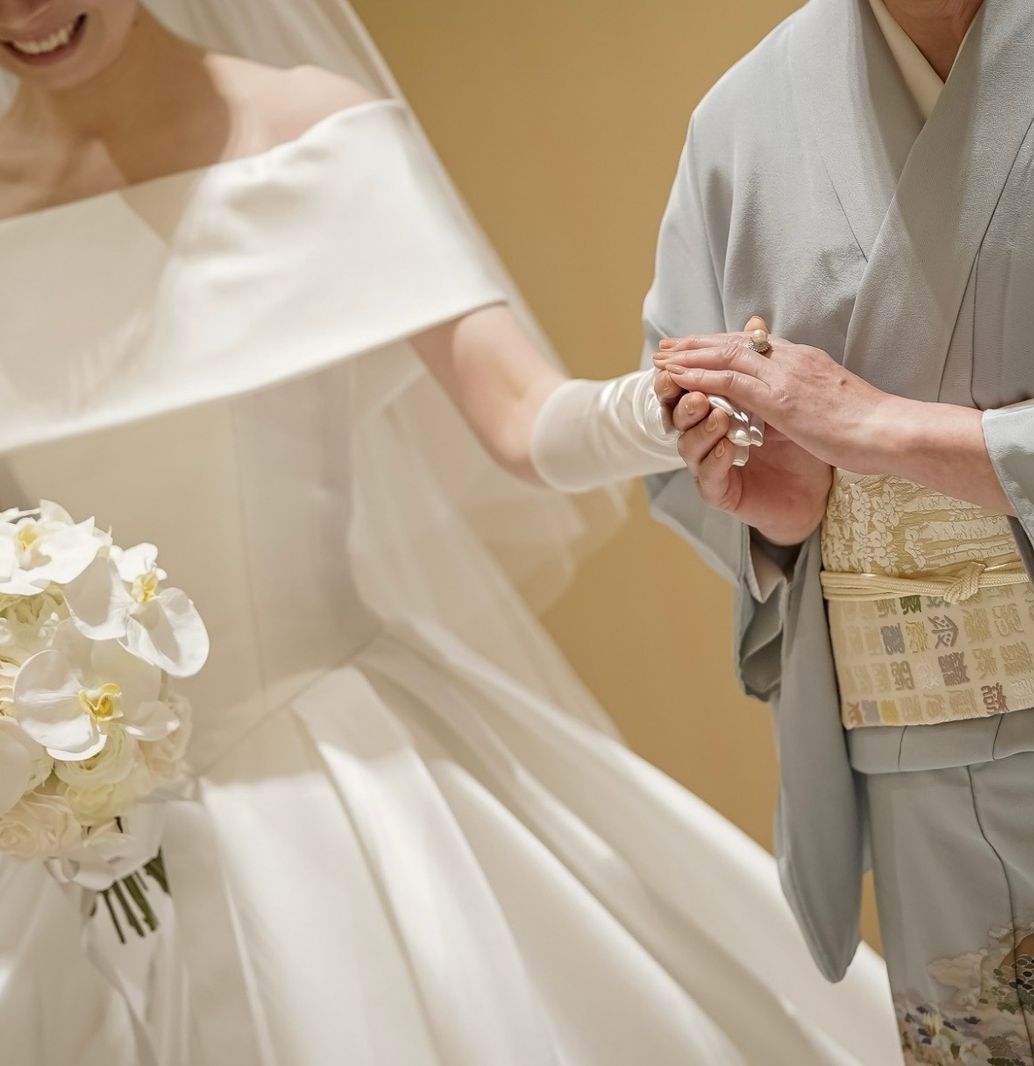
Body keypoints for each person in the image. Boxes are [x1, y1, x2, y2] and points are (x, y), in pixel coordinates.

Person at [0, 1, 901, 1064]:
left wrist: (668, 405)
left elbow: (520, 415)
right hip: (61, 817)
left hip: (328, 766)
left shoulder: (307, 133)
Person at [646, 0, 1034, 1062]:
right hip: (911, 771)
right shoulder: (739, 122)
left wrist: (883, 430)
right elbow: (687, 442)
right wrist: (784, 520)